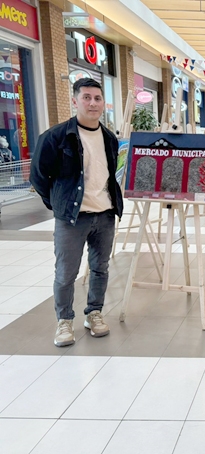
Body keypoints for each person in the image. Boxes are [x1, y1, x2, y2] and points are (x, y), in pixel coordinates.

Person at [30, 78, 123, 347]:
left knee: (100, 269)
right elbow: (38, 177)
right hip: (71, 218)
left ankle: (94, 313)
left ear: (103, 103)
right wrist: (58, 204)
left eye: (97, 98)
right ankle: (64, 321)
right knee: (66, 273)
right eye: (86, 97)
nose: (92, 103)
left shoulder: (109, 138)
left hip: (104, 214)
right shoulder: (56, 137)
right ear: (75, 100)